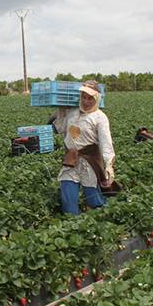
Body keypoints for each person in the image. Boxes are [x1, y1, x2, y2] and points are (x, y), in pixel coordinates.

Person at [50, 80, 115, 215]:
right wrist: (61, 111)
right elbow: (59, 128)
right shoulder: (72, 112)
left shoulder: (100, 118)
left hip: (89, 161)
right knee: (68, 193)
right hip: (71, 159)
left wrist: (109, 164)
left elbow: (106, 143)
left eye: (90, 98)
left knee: (93, 199)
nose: (86, 101)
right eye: (83, 97)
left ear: (96, 99)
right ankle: (72, 220)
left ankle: (105, 217)